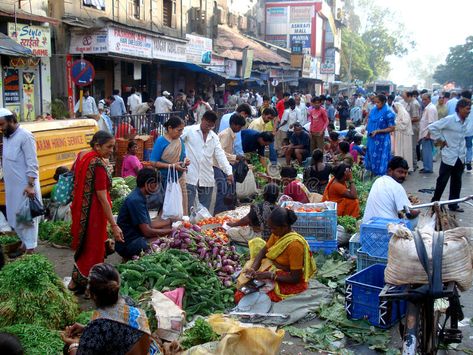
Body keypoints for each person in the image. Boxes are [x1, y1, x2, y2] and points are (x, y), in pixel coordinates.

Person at [68, 131, 124, 294]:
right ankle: (90, 285)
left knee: (84, 246)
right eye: (109, 147)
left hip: (81, 210)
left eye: (113, 147)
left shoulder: (83, 156)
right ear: (97, 145)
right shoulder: (98, 164)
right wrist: (113, 224)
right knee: (94, 248)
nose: (111, 150)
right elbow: (102, 196)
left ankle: (75, 281)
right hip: (94, 213)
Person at [61, 263, 159, 354]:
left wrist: (72, 345)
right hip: (149, 351)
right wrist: (86, 329)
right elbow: (120, 331)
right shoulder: (129, 302)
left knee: (67, 349)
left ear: (93, 295)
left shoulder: (98, 327)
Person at [235, 207, 317, 302]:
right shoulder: (277, 234)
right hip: (272, 268)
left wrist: (271, 276)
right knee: (243, 289)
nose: (271, 231)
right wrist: (253, 268)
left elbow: (295, 278)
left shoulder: (295, 245)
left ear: (285, 226)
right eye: (270, 227)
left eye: (273, 228)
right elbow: (263, 251)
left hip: (286, 277)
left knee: (244, 297)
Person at [0, 109, 41, 256]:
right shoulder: (6, 136)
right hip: (12, 187)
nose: (1, 127)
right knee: (15, 216)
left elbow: (32, 163)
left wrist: (30, 185)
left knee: (27, 218)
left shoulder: (25, 136)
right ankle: (24, 244)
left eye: (3, 124)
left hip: (25, 186)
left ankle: (30, 249)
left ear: (11, 120)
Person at [182, 111, 233, 212]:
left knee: (204, 209)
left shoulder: (214, 137)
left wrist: (229, 172)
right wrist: (182, 157)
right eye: (207, 124)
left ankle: (202, 226)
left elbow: (220, 155)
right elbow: (177, 142)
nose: (208, 128)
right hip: (190, 174)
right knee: (187, 207)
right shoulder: (189, 131)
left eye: (211, 126)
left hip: (206, 175)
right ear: (202, 120)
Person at [116, 168, 173, 259]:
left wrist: (170, 222)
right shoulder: (136, 200)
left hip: (135, 238)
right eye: (156, 184)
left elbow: (148, 223)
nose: (158, 187)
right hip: (130, 244)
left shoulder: (139, 196)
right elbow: (147, 231)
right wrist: (172, 231)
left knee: (166, 230)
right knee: (168, 243)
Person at [429, 99, 472, 212]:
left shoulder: (466, 121)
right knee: (442, 181)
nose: (469, 111)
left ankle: (453, 204)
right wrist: (442, 139)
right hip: (449, 155)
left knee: (457, 181)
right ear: (460, 108)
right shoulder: (450, 119)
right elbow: (432, 127)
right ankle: (435, 203)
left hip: (460, 156)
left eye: (470, 109)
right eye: (467, 109)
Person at [150, 116, 189, 214]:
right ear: (170, 128)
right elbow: (153, 162)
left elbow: (183, 155)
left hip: (180, 177)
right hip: (165, 179)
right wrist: (171, 166)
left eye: (182, 130)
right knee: (167, 207)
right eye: (179, 130)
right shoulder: (161, 141)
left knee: (182, 205)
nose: (181, 133)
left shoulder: (180, 140)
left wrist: (186, 161)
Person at [363, 156, 420, 223]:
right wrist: (418, 211)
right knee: (414, 219)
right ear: (390, 171)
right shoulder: (397, 187)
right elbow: (410, 214)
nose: (403, 175)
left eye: (405, 173)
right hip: (386, 228)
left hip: (368, 224)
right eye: (400, 172)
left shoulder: (378, 180)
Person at [214, 114, 246, 214]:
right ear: (233, 124)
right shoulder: (226, 135)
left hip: (224, 165)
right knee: (223, 188)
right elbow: (220, 153)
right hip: (217, 164)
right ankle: (219, 212)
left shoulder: (231, 134)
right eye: (239, 127)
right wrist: (235, 157)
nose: (240, 129)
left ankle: (228, 209)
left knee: (230, 186)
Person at [365, 94, 396, 176]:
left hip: (382, 141)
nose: (376, 104)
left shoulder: (388, 113)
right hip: (372, 138)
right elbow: (370, 120)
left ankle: (380, 177)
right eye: (375, 102)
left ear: (383, 102)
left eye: (378, 102)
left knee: (380, 158)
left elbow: (392, 128)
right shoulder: (374, 110)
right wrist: (366, 127)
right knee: (371, 156)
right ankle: (372, 175)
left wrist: (378, 131)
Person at [419, 93, 438, 174]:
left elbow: (431, 123)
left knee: (427, 152)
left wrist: (428, 134)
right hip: (426, 133)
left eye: (425, 99)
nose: (423, 101)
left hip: (428, 135)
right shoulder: (428, 108)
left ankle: (428, 168)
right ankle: (426, 167)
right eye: (422, 99)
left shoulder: (430, 108)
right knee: (426, 152)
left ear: (429, 99)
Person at [391, 102, 413, 171]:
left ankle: (405, 167)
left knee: (405, 151)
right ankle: (399, 167)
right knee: (400, 151)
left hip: (404, 135)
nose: (394, 110)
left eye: (394, 109)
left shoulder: (404, 114)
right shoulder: (399, 114)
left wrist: (395, 124)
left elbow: (404, 125)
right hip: (400, 135)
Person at [406, 91, 421, 171]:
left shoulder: (414, 103)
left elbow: (416, 117)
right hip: (411, 127)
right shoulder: (411, 103)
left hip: (414, 127)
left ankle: (414, 165)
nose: (404, 99)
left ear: (409, 96)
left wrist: (406, 121)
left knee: (413, 147)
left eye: (404, 97)